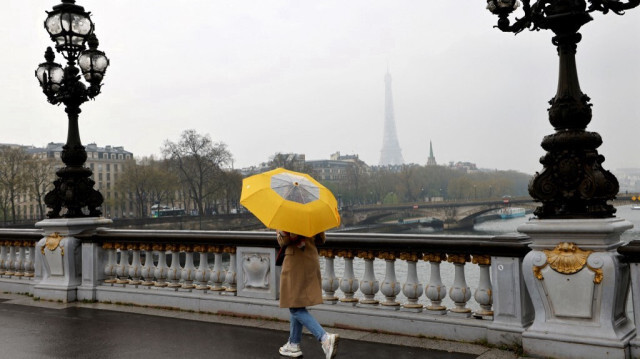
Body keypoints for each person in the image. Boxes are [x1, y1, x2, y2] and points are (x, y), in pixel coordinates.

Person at [276, 230, 339, 358]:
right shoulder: (310, 214)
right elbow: (321, 239)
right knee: (296, 303)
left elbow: (285, 241)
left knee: (294, 307)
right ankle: (293, 344)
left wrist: (280, 233)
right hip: (311, 258)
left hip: (295, 262)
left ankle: (325, 338)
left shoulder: (290, 214)